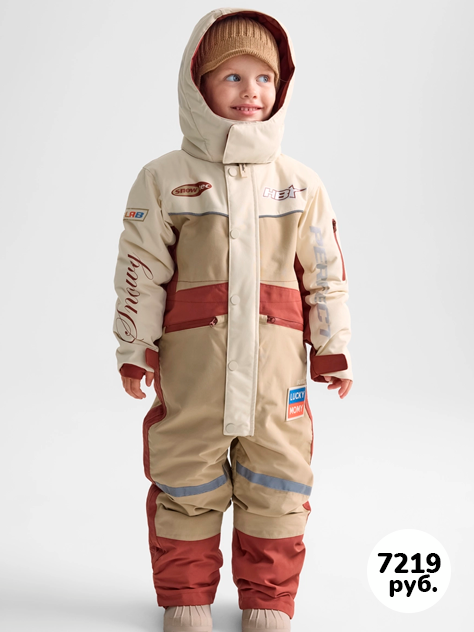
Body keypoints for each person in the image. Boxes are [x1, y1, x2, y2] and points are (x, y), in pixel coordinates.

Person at [112, 7, 353, 632]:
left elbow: (324, 274)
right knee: (185, 481)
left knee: (279, 481)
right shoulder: (164, 179)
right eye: (233, 77)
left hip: (277, 380)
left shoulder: (300, 185)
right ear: (199, 85)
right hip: (195, 374)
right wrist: (135, 349)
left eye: (264, 78)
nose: (251, 92)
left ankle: (268, 600)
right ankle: (186, 597)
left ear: (281, 87)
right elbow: (140, 271)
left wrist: (332, 347)